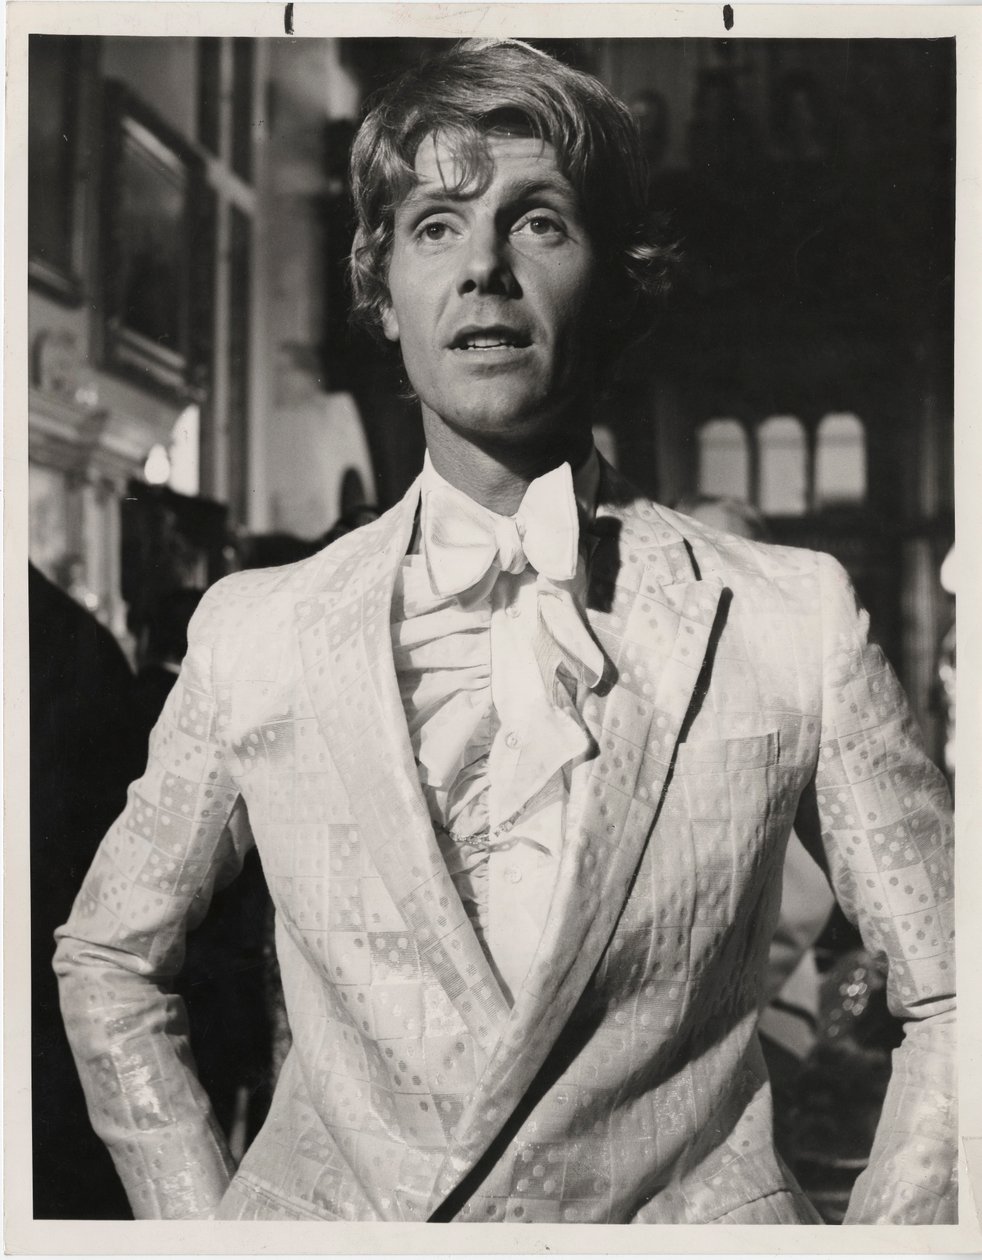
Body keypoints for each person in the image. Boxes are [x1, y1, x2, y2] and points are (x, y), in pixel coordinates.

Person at [54, 39, 955, 1225]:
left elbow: (957, 985)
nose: (483, 267)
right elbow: (109, 960)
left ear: (620, 283)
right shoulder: (256, 631)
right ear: (382, 293)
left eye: (538, 222)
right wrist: (203, 1230)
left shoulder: (789, 618)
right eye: (435, 226)